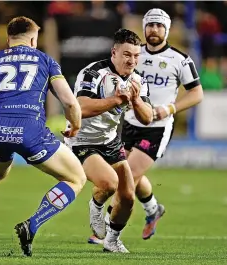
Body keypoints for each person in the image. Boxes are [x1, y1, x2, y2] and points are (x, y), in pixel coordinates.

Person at [0, 16, 87, 257]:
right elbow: (70, 102)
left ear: (9, 38)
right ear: (33, 38)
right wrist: (74, 126)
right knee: (76, 179)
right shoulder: (46, 60)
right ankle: (32, 224)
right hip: (32, 131)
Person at [91, 8, 204, 243]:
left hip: (157, 127)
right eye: (150, 25)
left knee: (126, 176)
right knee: (129, 172)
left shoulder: (180, 59)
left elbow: (196, 93)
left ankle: (109, 232)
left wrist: (170, 108)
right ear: (144, 28)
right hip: (130, 124)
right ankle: (153, 209)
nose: (154, 29)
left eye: (159, 25)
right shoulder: (134, 54)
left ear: (167, 30)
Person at [65, 29, 153, 253]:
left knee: (128, 197)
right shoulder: (94, 73)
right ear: (114, 53)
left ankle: (112, 241)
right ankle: (96, 205)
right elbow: (81, 107)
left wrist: (135, 101)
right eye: (126, 55)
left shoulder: (138, 80)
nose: (132, 60)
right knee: (108, 183)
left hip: (110, 141)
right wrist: (115, 100)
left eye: (136, 55)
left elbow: (148, 117)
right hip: (82, 139)